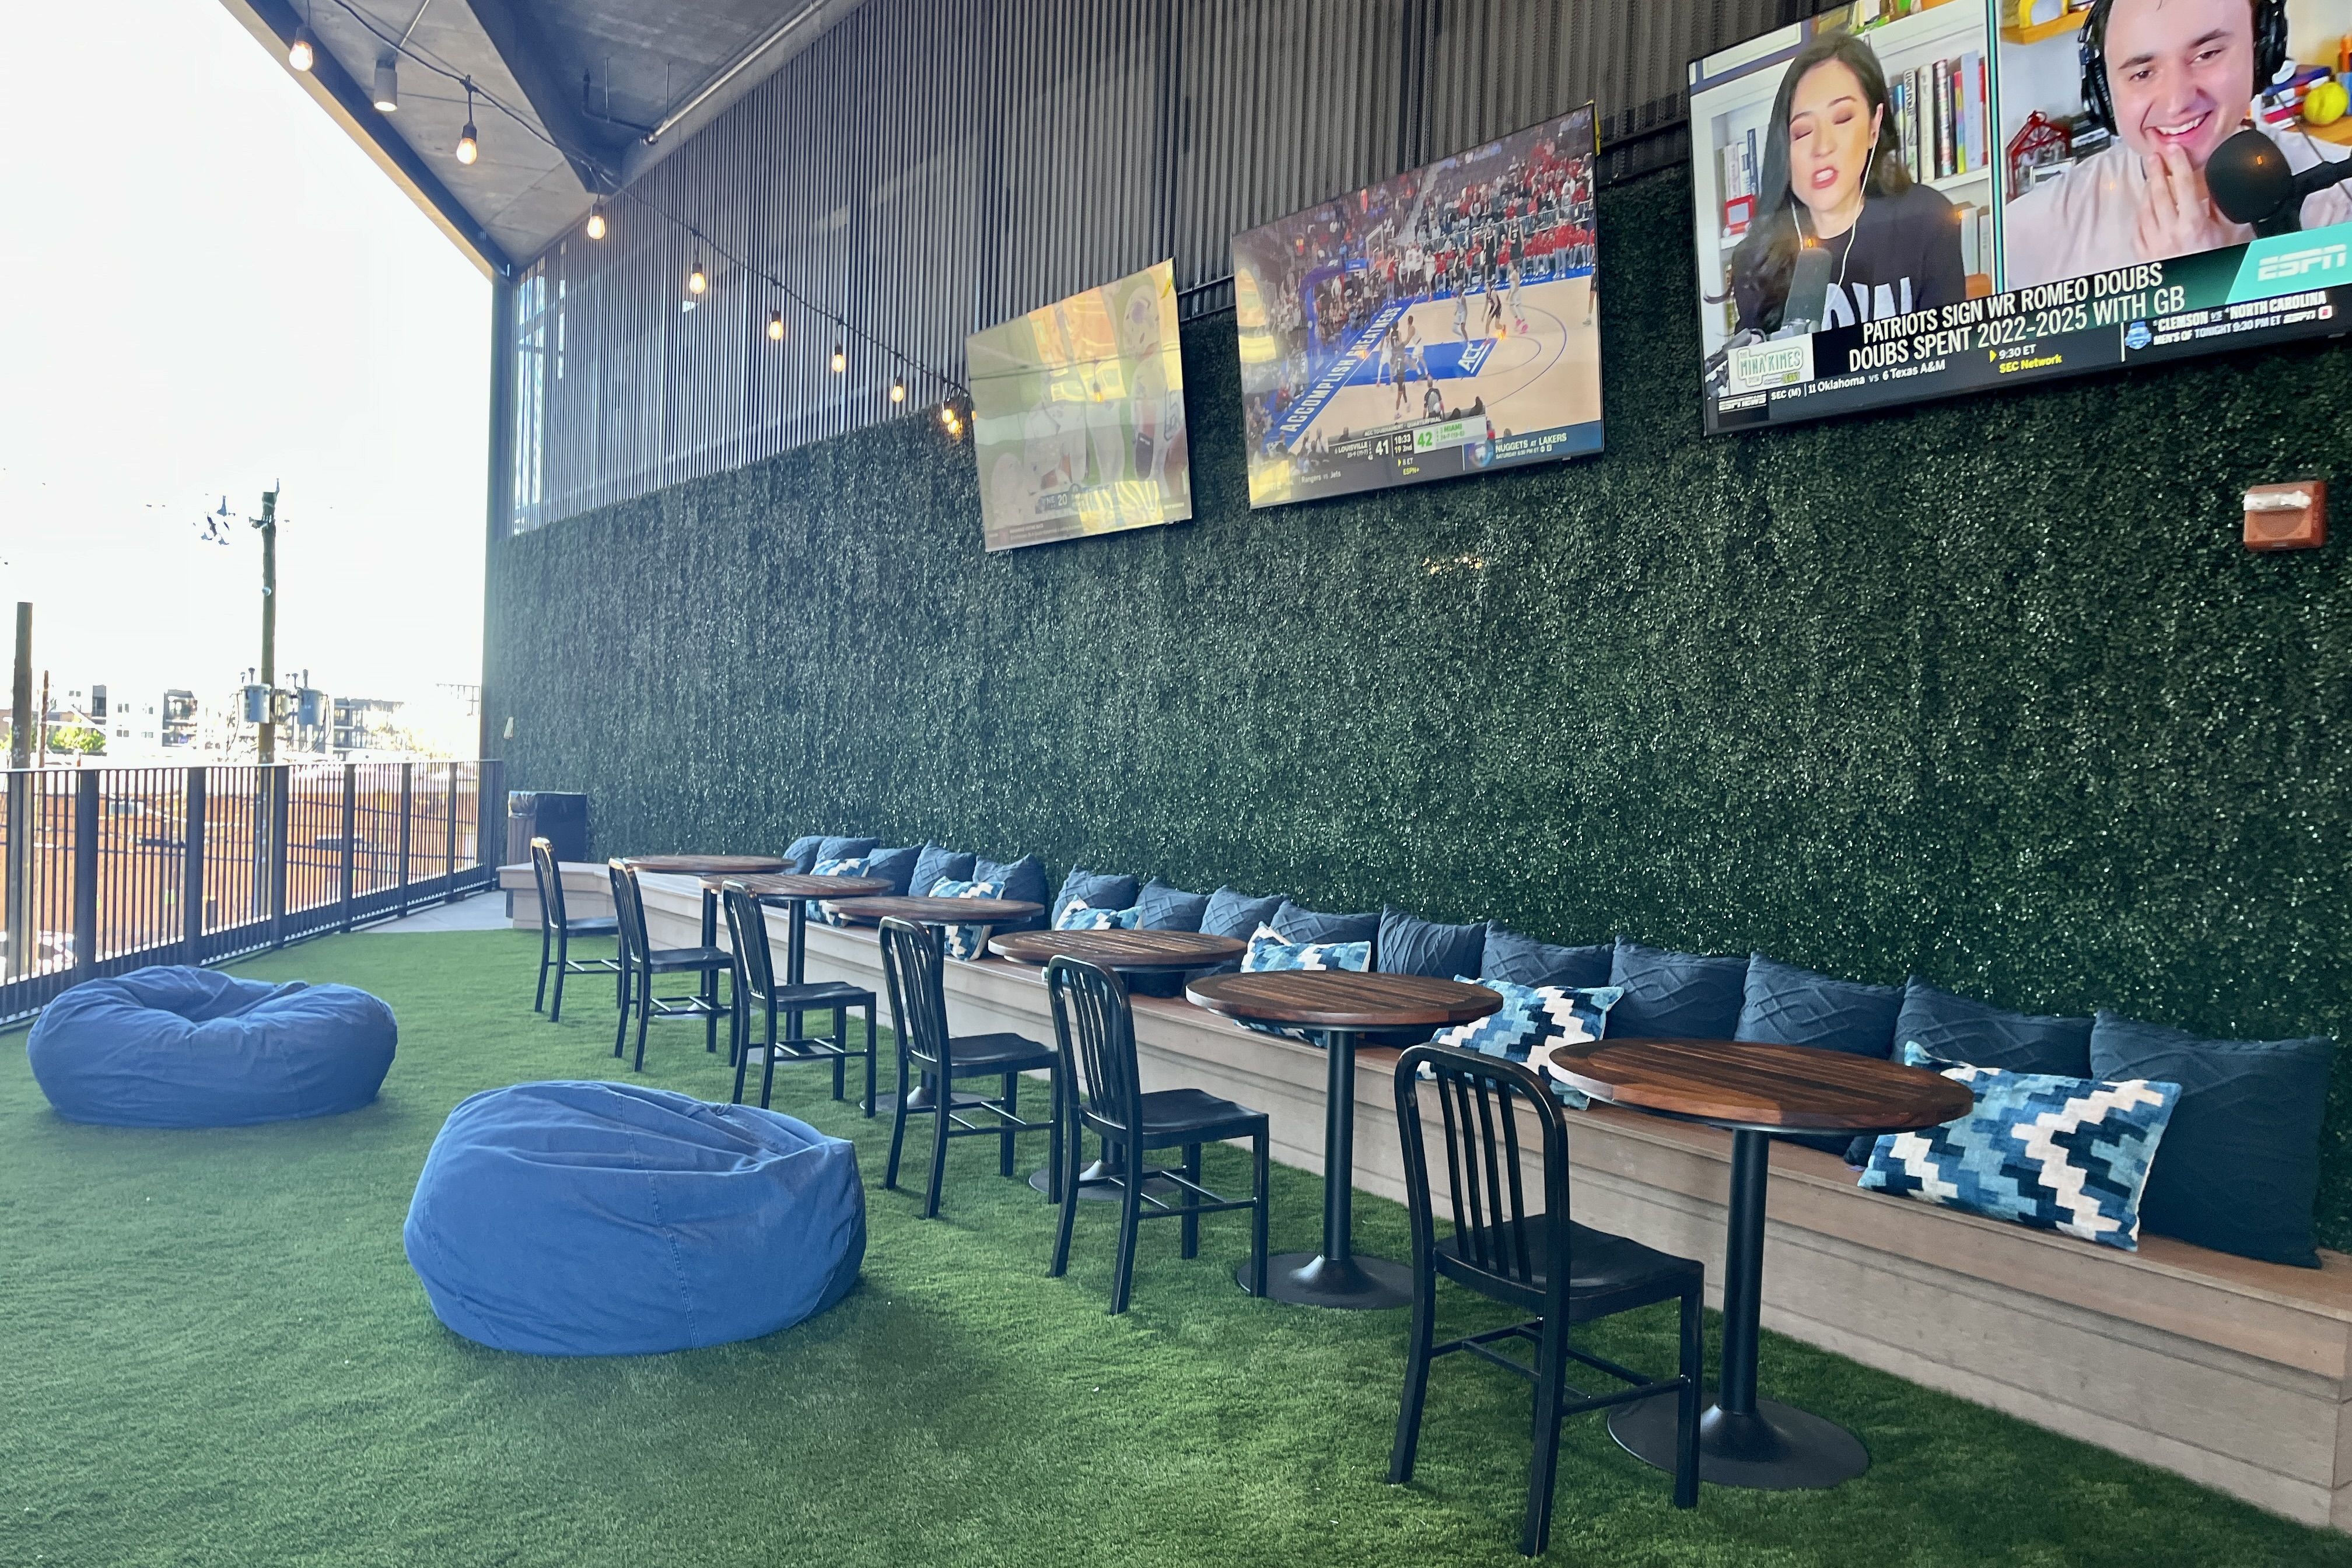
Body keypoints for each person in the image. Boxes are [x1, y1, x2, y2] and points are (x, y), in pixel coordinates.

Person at [2004, 0, 2352, 286]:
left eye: (2208, 54)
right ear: (2103, 94)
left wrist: (2205, 284)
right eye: (2142, 73)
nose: (2176, 102)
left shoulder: (2342, 195)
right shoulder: (2027, 237)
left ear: (2262, 52)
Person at [1726, 29, 1967, 334]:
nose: (1822, 147)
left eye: (1842, 119)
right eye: (1802, 132)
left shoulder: (1926, 219)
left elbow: (1950, 364)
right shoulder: (1756, 260)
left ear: (1874, 126)